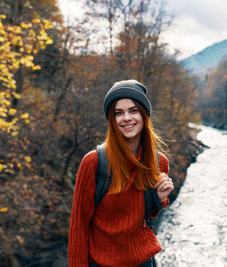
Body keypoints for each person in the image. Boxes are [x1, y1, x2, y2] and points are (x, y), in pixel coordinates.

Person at [68, 80, 174, 267]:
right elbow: (79, 227)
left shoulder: (159, 162)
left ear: (144, 115)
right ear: (112, 119)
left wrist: (158, 199)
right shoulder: (94, 162)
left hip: (144, 262)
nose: (126, 118)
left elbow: (142, 217)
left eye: (133, 110)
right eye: (119, 112)